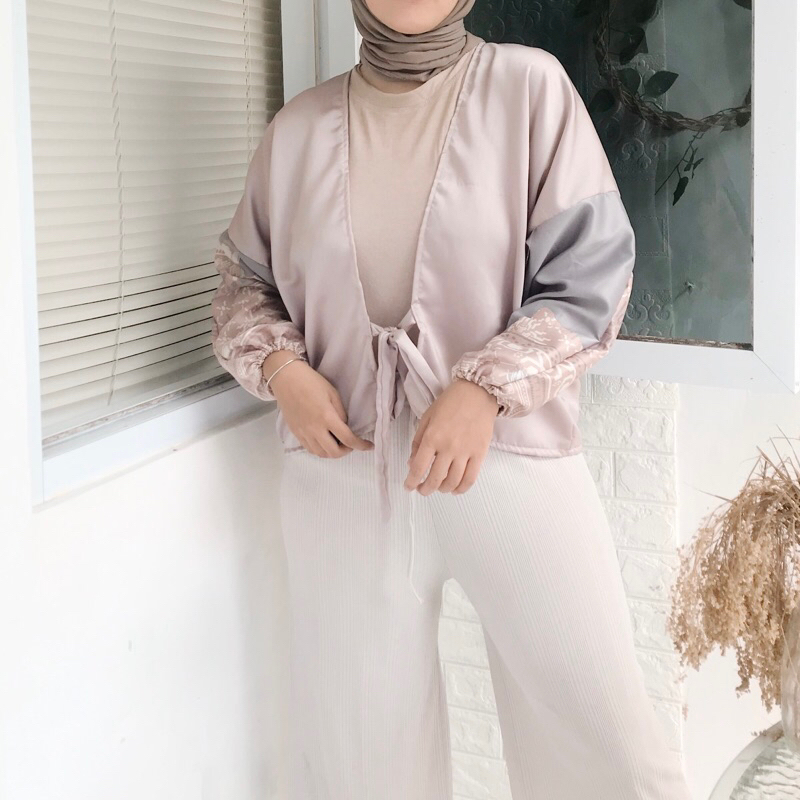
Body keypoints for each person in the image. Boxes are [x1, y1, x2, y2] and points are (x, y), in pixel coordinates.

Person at [210, 1, 695, 798]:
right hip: (341, 475)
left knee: (603, 744)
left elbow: (593, 273)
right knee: (362, 762)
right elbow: (242, 288)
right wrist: (283, 371)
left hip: (508, 461)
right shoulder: (296, 131)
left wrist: (484, 388)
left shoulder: (529, 90)